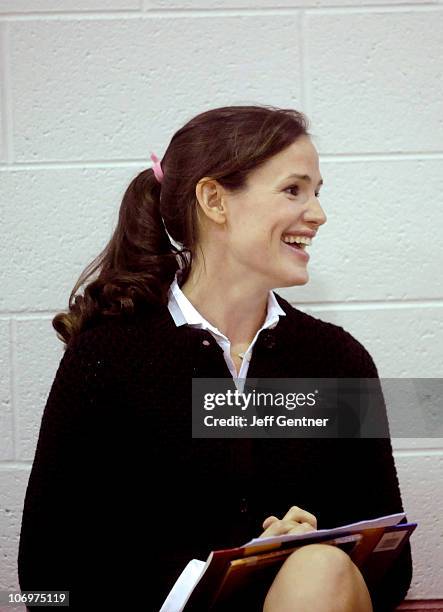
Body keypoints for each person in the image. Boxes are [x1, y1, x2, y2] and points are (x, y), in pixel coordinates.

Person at [18, 104, 412, 611]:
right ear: (214, 200)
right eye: (293, 190)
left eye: (317, 192)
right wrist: (220, 576)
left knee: (318, 566)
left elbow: (392, 566)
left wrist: (302, 554)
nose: (317, 213)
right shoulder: (109, 359)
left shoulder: (337, 360)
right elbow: (45, 582)